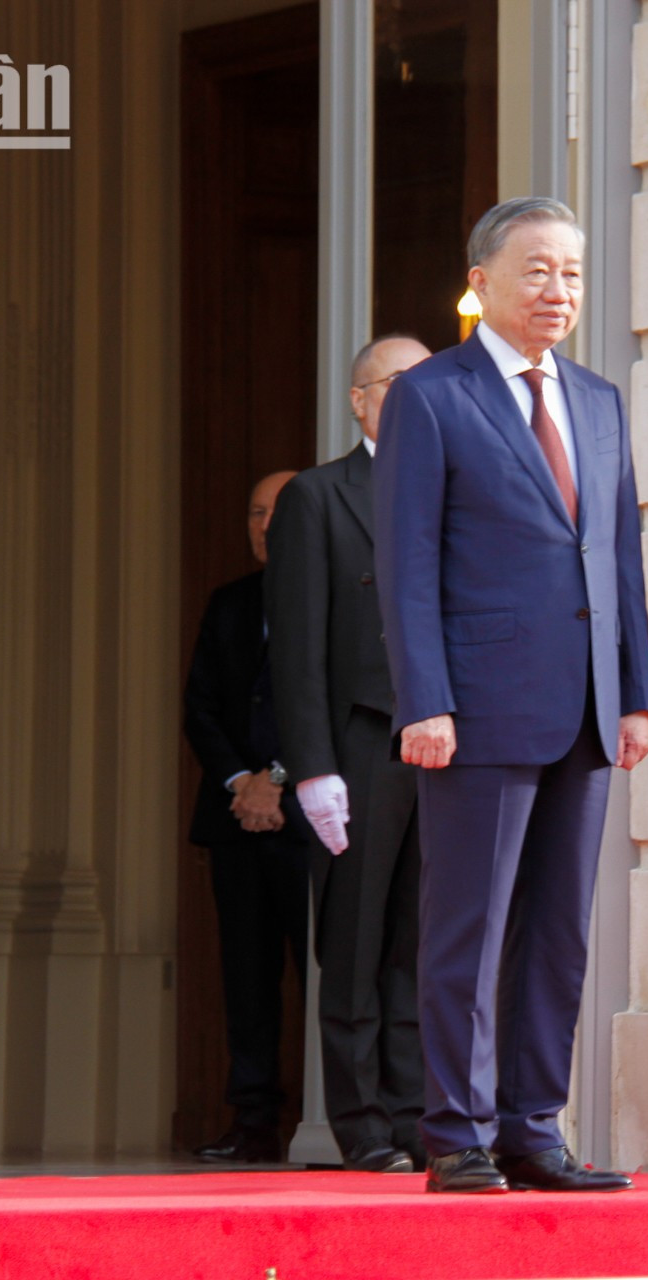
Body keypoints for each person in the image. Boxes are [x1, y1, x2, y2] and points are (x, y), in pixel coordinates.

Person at [375, 197, 648, 1195]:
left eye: (573, 273)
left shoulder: (598, 399)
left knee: (558, 929)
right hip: (477, 706)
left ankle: (536, 1124)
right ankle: (457, 1129)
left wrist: (637, 692)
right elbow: (407, 563)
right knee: (471, 925)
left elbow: (619, 556)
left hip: (584, 707)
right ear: (482, 280)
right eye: (537, 270)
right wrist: (424, 699)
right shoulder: (433, 395)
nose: (559, 290)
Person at [267, 334, 433, 1174]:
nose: (412, 395)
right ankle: (363, 1122)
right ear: (360, 400)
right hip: (359, 742)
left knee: (419, 942)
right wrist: (312, 767)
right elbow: (294, 647)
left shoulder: (452, 489)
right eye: (397, 382)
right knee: (358, 942)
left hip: (438, 744)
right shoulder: (318, 496)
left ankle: (415, 1116)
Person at [182, 469, 315, 1166]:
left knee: (323, 970)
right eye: (255, 511)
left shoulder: (336, 597)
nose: (265, 525)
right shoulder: (229, 603)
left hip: (309, 823)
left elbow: (333, 704)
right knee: (247, 976)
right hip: (236, 819)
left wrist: (279, 781)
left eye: (279, 512)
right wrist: (243, 783)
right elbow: (200, 707)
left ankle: (343, 1117)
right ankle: (254, 1120)